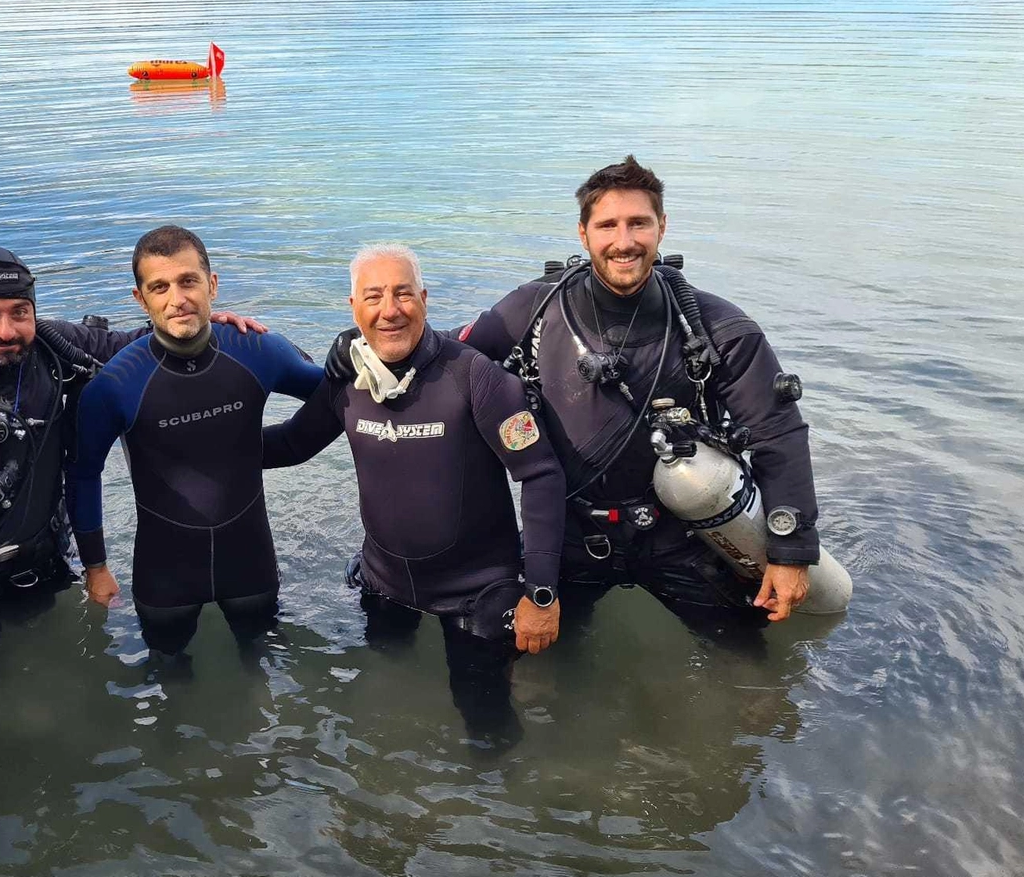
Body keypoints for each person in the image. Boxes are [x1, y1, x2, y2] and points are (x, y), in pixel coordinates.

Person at [0, 245, 264, 681]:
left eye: (20, 312)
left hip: (37, 559)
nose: (7, 330)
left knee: (51, 661)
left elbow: (132, 345)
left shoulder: (52, 350)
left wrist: (202, 322)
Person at [453, 155, 820, 639]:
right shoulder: (531, 310)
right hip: (569, 537)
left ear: (662, 228)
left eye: (638, 224)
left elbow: (777, 432)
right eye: (607, 225)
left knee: (750, 672)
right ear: (583, 234)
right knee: (519, 659)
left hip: (685, 535)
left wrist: (790, 550)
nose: (623, 242)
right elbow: (448, 363)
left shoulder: (717, 329)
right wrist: (367, 341)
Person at [262, 243, 567, 744]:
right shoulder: (349, 380)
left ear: (424, 298)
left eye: (403, 294)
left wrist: (541, 594)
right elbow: (294, 443)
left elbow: (540, 475)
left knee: (486, 725)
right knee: (384, 679)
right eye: (374, 296)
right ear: (353, 307)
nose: (389, 310)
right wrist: (210, 444)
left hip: (478, 592)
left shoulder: (475, 377)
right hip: (386, 584)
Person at [66, 225, 324, 658]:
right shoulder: (116, 384)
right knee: (170, 684)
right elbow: (83, 474)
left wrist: (276, 447)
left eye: (188, 281)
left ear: (213, 284)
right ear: (140, 299)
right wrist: (96, 567)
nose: (177, 298)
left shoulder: (256, 350)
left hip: (251, 567)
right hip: (165, 578)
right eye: (159, 287)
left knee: (260, 670)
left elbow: (336, 395)